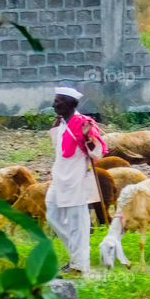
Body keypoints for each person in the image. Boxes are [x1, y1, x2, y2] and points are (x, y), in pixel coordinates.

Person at [45, 86, 107, 276]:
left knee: (77, 223)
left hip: (77, 179)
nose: (54, 104)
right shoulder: (61, 122)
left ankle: (79, 266)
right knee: (52, 212)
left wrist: (89, 138)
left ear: (70, 104)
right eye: (55, 100)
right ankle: (77, 256)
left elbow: (99, 152)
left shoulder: (84, 123)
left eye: (58, 101)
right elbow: (59, 147)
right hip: (60, 177)